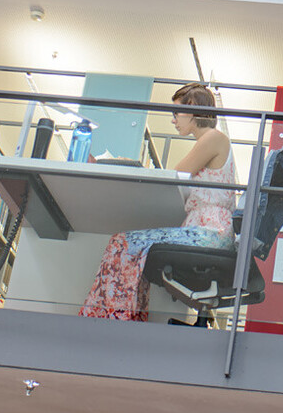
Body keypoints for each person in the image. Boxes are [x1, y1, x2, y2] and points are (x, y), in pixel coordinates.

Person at [80, 83, 235, 320]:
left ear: (192, 107)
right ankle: (122, 317)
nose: (173, 120)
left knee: (122, 243)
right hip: (207, 230)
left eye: (176, 112)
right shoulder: (213, 141)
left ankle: (110, 319)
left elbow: (173, 176)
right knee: (132, 248)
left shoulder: (213, 138)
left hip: (209, 232)